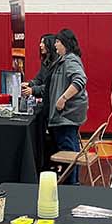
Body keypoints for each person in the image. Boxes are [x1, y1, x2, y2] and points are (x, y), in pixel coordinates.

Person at [28, 29, 90, 184]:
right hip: (64, 117)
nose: (55, 44)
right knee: (70, 150)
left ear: (65, 44)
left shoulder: (70, 60)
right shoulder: (62, 60)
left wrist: (63, 98)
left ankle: (72, 184)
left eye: (58, 42)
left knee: (69, 151)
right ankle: (72, 182)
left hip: (66, 117)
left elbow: (80, 80)